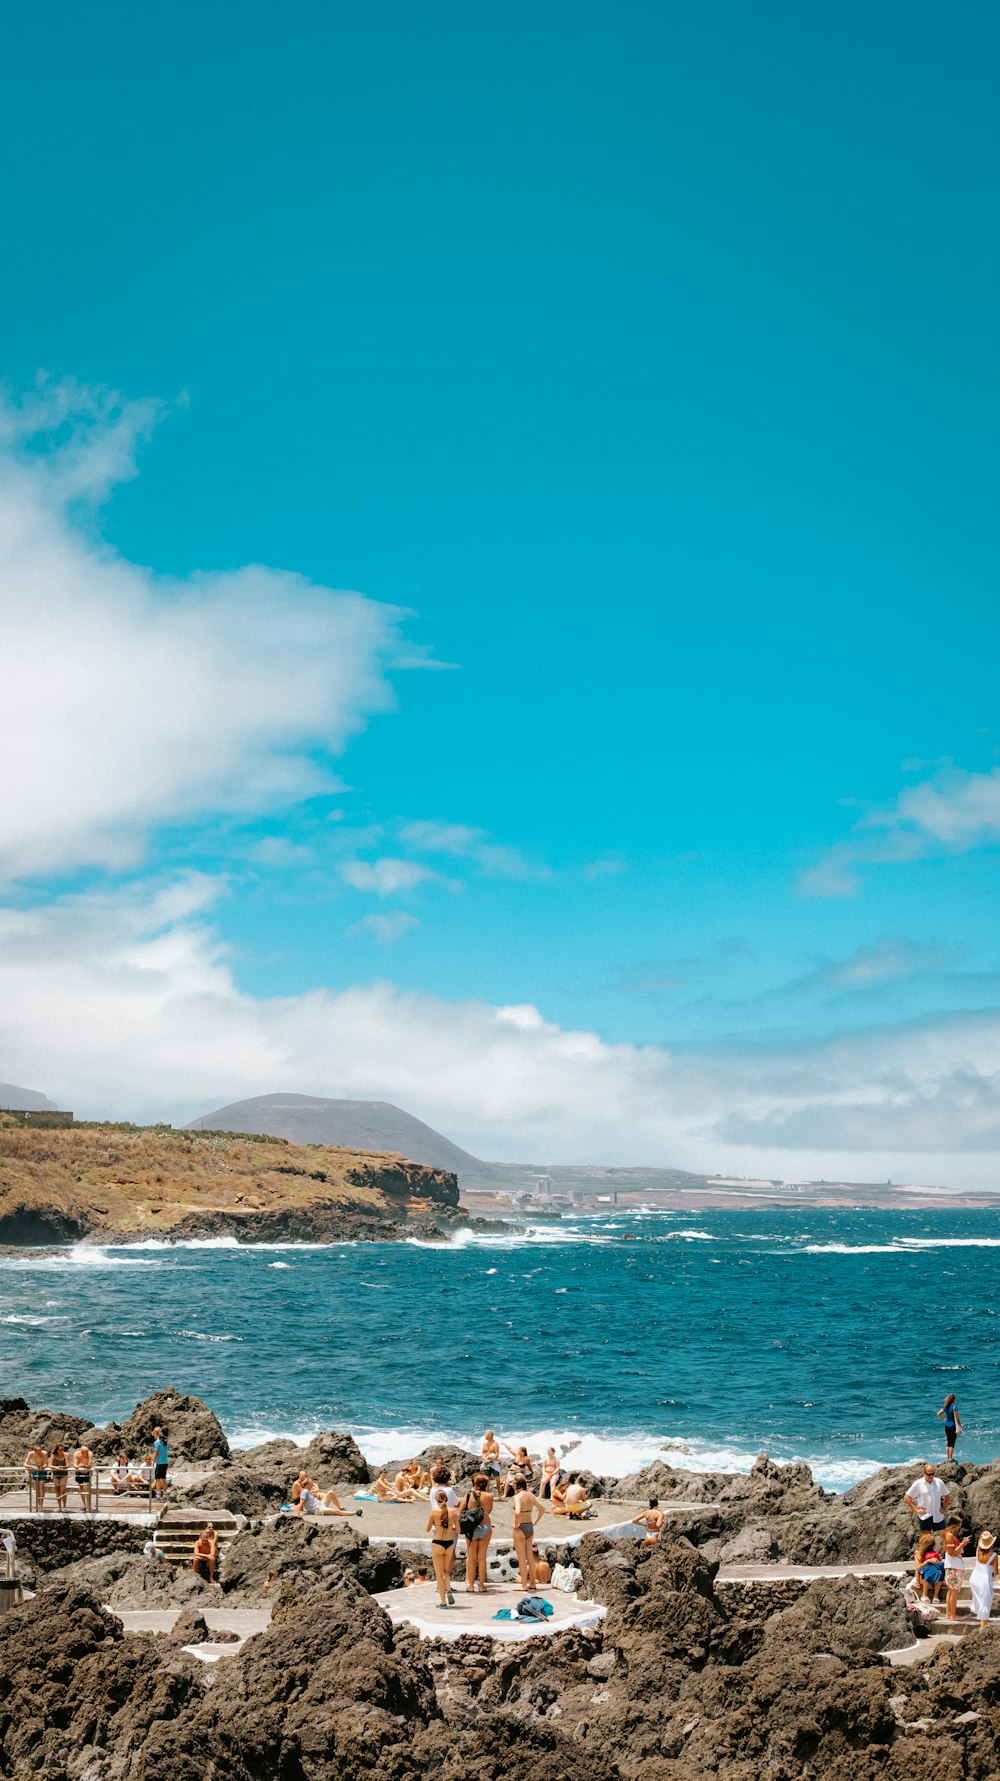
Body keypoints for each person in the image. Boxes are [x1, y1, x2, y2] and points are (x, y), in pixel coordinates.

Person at [460, 1472, 494, 1595]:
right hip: (486, 1526)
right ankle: (481, 1585)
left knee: (472, 1557)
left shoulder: (469, 1494)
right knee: (482, 1557)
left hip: (472, 1528)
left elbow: (461, 1509)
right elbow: (489, 1511)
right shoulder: (490, 1496)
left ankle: (470, 1586)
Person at [426, 1489, 459, 1608]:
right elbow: (458, 1530)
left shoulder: (434, 1511)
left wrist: (438, 1524)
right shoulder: (453, 1512)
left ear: (436, 1500)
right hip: (449, 1543)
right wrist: (450, 1526)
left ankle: (443, 1602)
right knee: (446, 1570)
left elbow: (428, 1528)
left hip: (438, 1543)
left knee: (439, 1574)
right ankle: (448, 1589)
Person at [511, 1476, 546, 1589]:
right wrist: (535, 1521)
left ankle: (524, 1585)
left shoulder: (517, 1497)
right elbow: (542, 1509)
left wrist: (516, 1524)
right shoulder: (531, 1495)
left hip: (520, 1527)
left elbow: (517, 1512)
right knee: (530, 1557)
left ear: (517, 1485)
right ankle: (533, 1583)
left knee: (521, 1557)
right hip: (530, 1526)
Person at [904, 1464, 949, 1534]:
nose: (931, 1476)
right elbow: (907, 1497)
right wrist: (915, 1509)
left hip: (938, 1516)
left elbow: (947, 1495)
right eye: (929, 1474)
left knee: (945, 1539)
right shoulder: (918, 1484)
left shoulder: (939, 1482)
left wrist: (944, 1507)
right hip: (925, 1517)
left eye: (933, 1474)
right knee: (927, 1542)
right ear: (924, 1473)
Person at [970, 1529, 998, 1627]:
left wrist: (982, 1537)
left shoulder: (978, 1551)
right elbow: (996, 1573)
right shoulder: (994, 1556)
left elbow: (979, 1543)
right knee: (985, 1603)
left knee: (979, 1601)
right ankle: (983, 1627)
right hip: (984, 1580)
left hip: (974, 1578)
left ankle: (983, 1624)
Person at [943, 1520, 969, 1623]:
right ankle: (952, 1615)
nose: (960, 1527)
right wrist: (963, 1544)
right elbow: (952, 1553)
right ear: (955, 1525)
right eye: (959, 1525)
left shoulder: (949, 1534)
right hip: (954, 1566)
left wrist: (961, 1543)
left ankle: (948, 1614)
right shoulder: (949, 1535)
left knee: (951, 1590)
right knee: (954, 1591)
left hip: (953, 1566)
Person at [915, 1531, 945, 1605]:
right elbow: (918, 1567)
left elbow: (917, 1568)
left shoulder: (919, 1554)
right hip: (935, 1579)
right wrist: (929, 1561)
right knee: (937, 1572)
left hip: (925, 1578)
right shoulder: (935, 1554)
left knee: (928, 1573)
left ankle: (925, 1595)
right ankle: (935, 1596)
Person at [23, 1442, 49, 1511]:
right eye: (38, 1452)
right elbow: (25, 1464)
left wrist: (41, 1467)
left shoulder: (45, 1453)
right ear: (34, 1451)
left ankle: (41, 1505)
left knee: (42, 1487)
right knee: (37, 1488)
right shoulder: (31, 1454)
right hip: (34, 1468)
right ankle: (37, 1505)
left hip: (42, 1470)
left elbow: (46, 1464)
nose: (40, 1453)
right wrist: (32, 1466)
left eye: (40, 1451)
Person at [937, 1394, 963, 1461]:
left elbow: (938, 1414)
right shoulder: (954, 1408)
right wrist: (960, 1425)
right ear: (953, 1400)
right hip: (952, 1426)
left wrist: (944, 1420)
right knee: (952, 1443)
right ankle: (950, 1459)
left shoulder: (946, 1406)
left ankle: (948, 1458)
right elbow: (957, 1419)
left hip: (947, 1425)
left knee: (948, 1442)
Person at [49, 1444, 69, 1511]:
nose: (62, 1451)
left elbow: (68, 1464)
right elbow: (50, 1465)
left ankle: (64, 1506)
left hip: (63, 1474)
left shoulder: (65, 1455)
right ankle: (59, 1506)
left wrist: (62, 1467)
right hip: (56, 1474)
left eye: (63, 1449)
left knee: (63, 1490)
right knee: (57, 1490)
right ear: (57, 1450)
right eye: (60, 1450)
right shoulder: (53, 1455)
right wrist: (56, 1467)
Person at [74, 1442, 93, 1512]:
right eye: (85, 1452)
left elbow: (90, 1465)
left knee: (87, 1488)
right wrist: (80, 1466)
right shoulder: (77, 1454)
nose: (87, 1453)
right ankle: (84, 1505)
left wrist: (85, 1465)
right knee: (81, 1488)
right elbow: (75, 1465)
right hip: (79, 1472)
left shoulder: (90, 1454)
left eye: (87, 1451)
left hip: (87, 1472)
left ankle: (89, 1506)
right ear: (81, 1452)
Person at [152, 1427, 169, 1499]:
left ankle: (158, 1496)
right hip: (165, 1462)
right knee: (163, 1479)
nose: (153, 1436)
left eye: (154, 1435)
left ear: (156, 1433)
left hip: (159, 1463)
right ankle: (165, 1495)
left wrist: (153, 1462)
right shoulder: (165, 1442)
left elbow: (156, 1453)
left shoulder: (157, 1442)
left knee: (157, 1479)